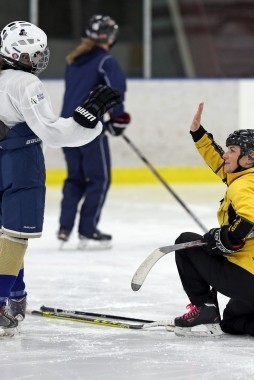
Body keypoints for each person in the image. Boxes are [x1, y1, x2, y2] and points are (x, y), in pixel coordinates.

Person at [0, 20, 122, 336]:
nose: (39, 60)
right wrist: (88, 121)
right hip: (20, 162)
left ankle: (15, 294)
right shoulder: (26, 84)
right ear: (17, 54)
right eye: (33, 55)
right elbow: (52, 133)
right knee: (16, 233)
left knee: (6, 231)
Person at [173, 102, 254, 341]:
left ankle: (205, 309)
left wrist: (226, 238)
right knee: (233, 323)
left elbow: (247, 219)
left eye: (232, 150)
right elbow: (219, 162)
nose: (226, 154)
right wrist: (199, 135)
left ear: (249, 158)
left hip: (251, 278)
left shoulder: (244, 185)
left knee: (186, 244)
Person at [57, 14, 131, 250]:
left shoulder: (74, 59)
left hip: (66, 129)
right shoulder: (105, 61)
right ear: (110, 36)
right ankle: (87, 229)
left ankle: (64, 227)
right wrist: (118, 119)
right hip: (88, 130)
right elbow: (114, 92)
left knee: (75, 179)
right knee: (99, 179)